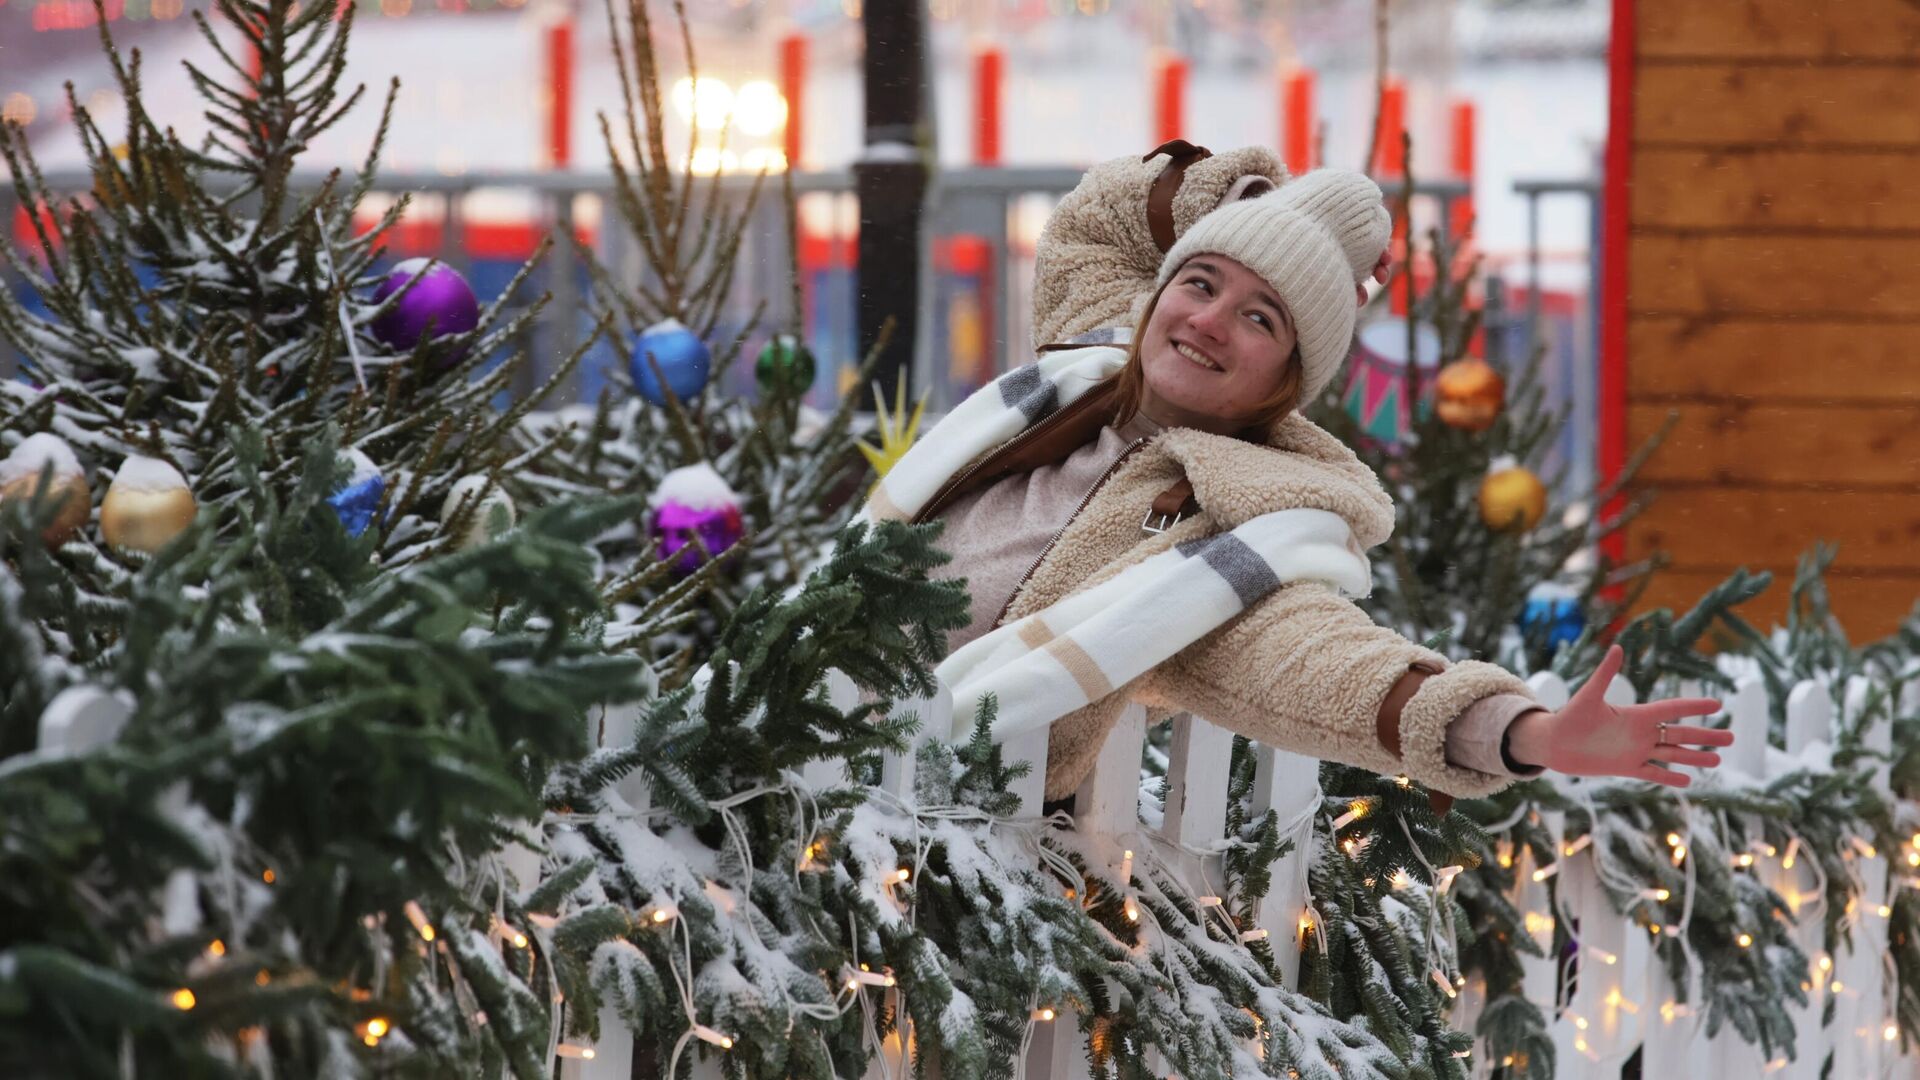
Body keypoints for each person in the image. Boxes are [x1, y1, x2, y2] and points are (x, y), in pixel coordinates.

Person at [859, 149, 1730, 807]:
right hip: (783, 718)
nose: (1207, 322)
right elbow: (1105, 215)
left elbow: (1326, 665)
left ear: (1286, 375)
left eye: (1259, 317)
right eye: (1199, 282)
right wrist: (1248, 194)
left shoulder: (1231, 537)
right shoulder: (1080, 364)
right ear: (1157, 292)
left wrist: (1521, 733)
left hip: (922, 824)